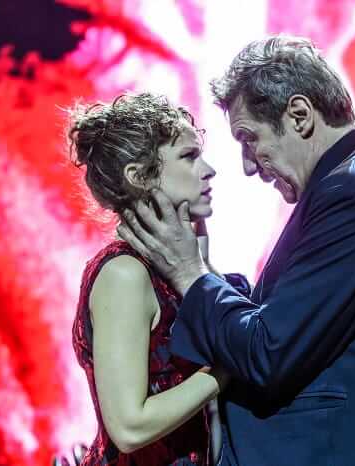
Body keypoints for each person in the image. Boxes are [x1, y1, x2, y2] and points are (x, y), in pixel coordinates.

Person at [118, 36, 355, 466]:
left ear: (299, 116)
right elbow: (284, 324)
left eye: (249, 139)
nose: (248, 165)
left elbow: (268, 352)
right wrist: (204, 272)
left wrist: (190, 274)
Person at [69, 93, 236, 465]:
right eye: (189, 156)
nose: (209, 170)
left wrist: (199, 254)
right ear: (139, 177)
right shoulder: (124, 274)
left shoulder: (168, 269)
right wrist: (227, 369)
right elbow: (130, 427)